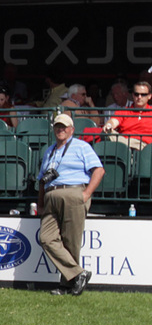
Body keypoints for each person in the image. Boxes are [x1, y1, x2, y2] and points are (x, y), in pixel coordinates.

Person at [37, 113, 104, 296]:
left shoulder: (82, 146)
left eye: (64, 127)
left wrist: (86, 194)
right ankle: (78, 274)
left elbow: (99, 170)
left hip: (74, 192)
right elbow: (42, 180)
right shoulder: (49, 151)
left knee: (71, 241)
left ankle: (67, 285)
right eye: (58, 126)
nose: (60, 129)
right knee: (46, 238)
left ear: (72, 130)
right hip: (51, 195)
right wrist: (40, 203)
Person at [101, 80, 152, 151]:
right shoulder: (124, 111)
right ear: (133, 95)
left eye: (143, 94)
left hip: (145, 146)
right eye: (136, 94)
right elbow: (114, 121)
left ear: (149, 96)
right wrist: (109, 125)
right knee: (106, 131)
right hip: (124, 142)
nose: (139, 97)